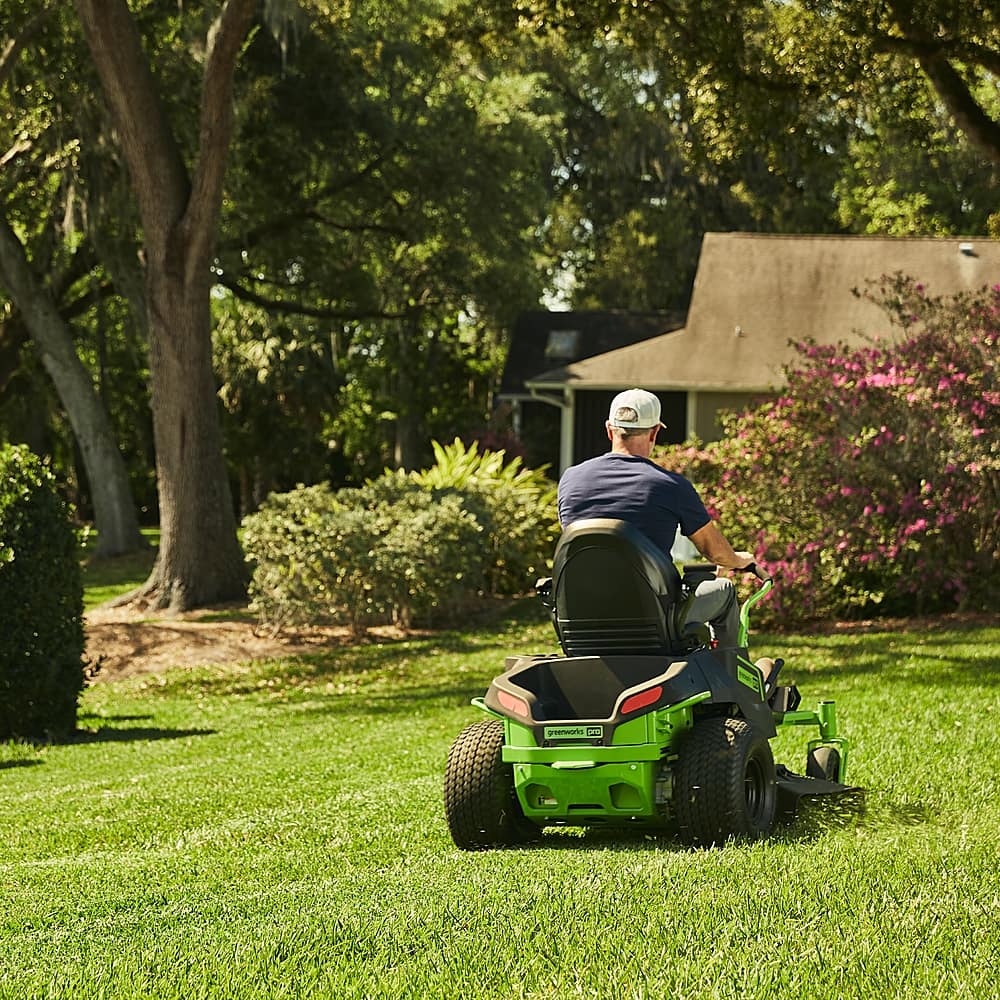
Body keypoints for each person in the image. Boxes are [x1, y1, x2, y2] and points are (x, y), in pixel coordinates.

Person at [557, 387, 776, 682]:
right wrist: (738, 560)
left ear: (610, 430)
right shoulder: (669, 486)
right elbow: (714, 551)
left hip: (581, 621)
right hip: (655, 619)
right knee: (723, 592)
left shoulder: (570, 481)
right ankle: (733, 684)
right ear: (654, 433)